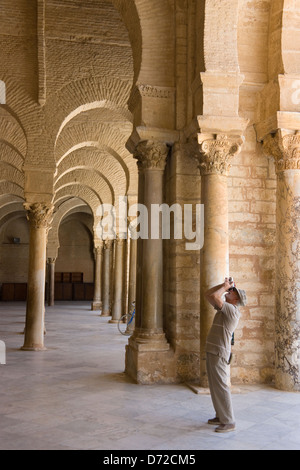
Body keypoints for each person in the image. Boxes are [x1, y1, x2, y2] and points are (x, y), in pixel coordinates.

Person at [205, 277, 247, 433]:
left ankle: (229, 421)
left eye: (232, 291)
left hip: (219, 351)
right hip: (213, 349)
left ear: (236, 299)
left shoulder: (232, 310)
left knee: (221, 386)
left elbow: (216, 297)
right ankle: (220, 415)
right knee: (214, 386)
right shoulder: (225, 308)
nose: (229, 292)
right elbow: (208, 295)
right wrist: (222, 286)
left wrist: (224, 287)